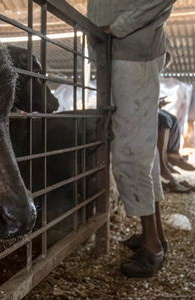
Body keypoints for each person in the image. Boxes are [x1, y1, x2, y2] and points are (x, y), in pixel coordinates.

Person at [87, 0, 176, 278]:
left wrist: (119, 27)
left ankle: (152, 248)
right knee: (142, 152)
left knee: (130, 153)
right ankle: (155, 235)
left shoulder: (122, 33)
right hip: (121, 50)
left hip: (130, 50)